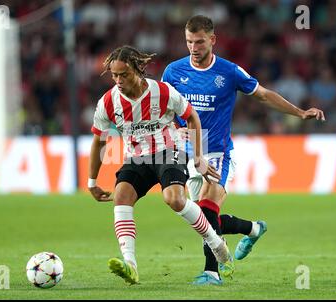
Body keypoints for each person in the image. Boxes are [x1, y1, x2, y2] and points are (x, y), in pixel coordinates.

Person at [162, 15, 325, 285]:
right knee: (202, 219)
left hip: (218, 154)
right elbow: (164, 108)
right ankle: (253, 228)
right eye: (189, 41)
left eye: (200, 41)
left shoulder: (229, 72)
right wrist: (172, 128)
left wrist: (299, 112)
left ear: (212, 40)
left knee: (208, 209)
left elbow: (263, 94)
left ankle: (211, 273)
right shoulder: (173, 72)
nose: (194, 47)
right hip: (187, 155)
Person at [87, 45, 231, 285]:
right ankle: (130, 265)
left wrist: (197, 157)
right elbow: (99, 141)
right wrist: (92, 181)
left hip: (168, 151)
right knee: (121, 195)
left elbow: (192, 116)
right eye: (115, 75)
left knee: (174, 199)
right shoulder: (108, 102)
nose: (119, 81)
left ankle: (216, 243)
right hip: (137, 158)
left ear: (138, 70)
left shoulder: (163, 92)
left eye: (124, 74)